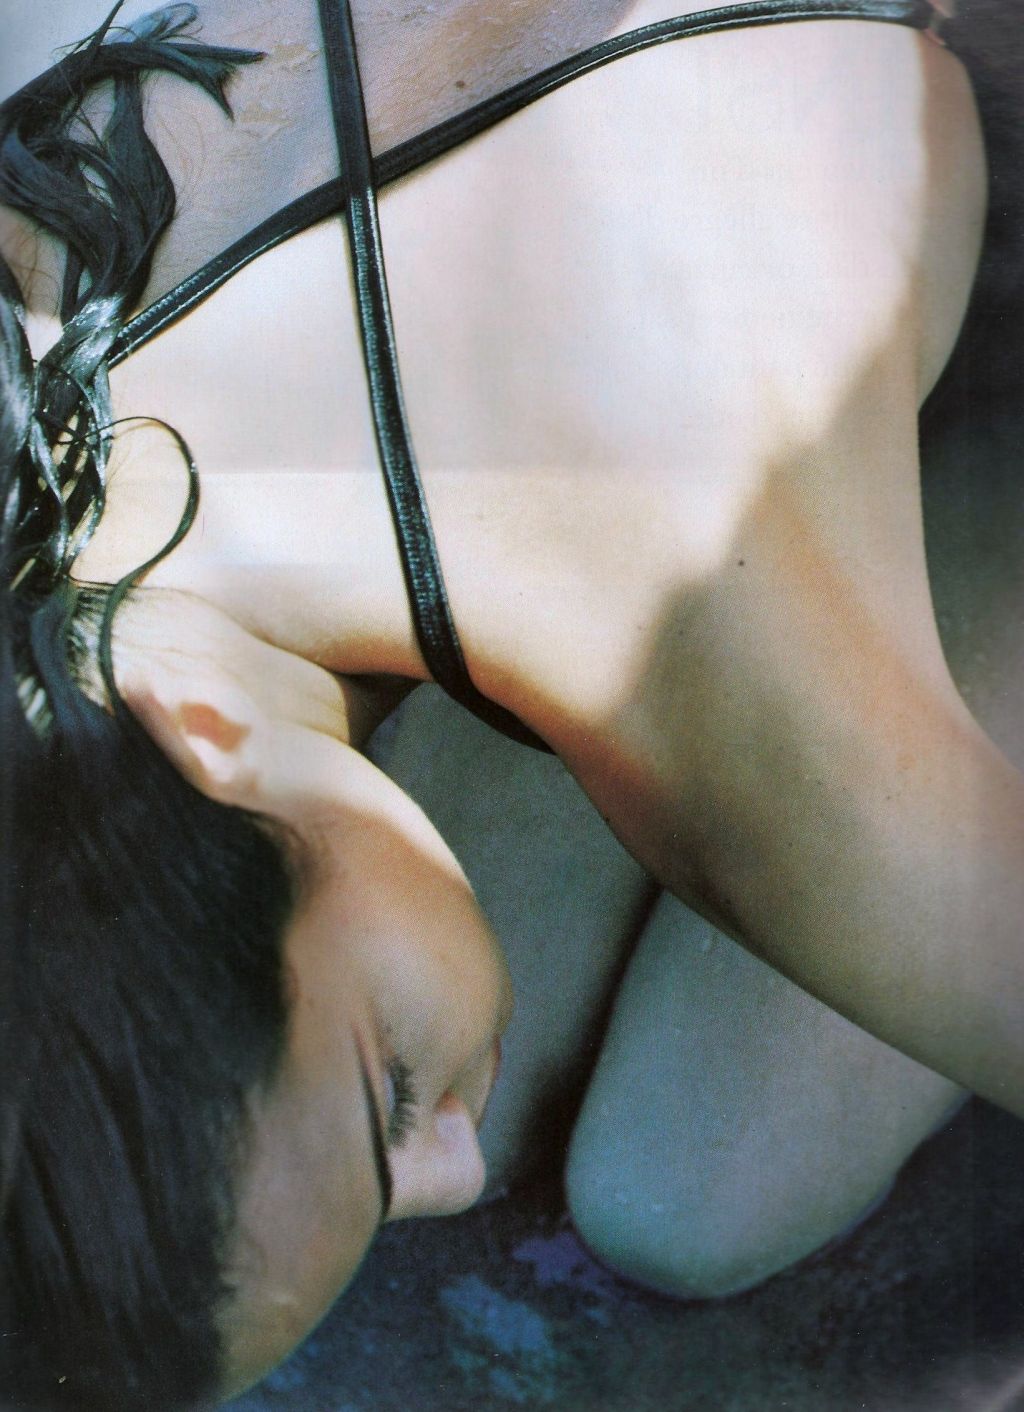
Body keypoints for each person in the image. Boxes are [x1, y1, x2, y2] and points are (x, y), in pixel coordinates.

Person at [0, 0, 1019, 1406]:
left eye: (391, 1100)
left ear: (207, 735)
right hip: (538, 233)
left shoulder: (787, 772)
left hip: (885, 225)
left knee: (686, 1197)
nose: (457, 1171)